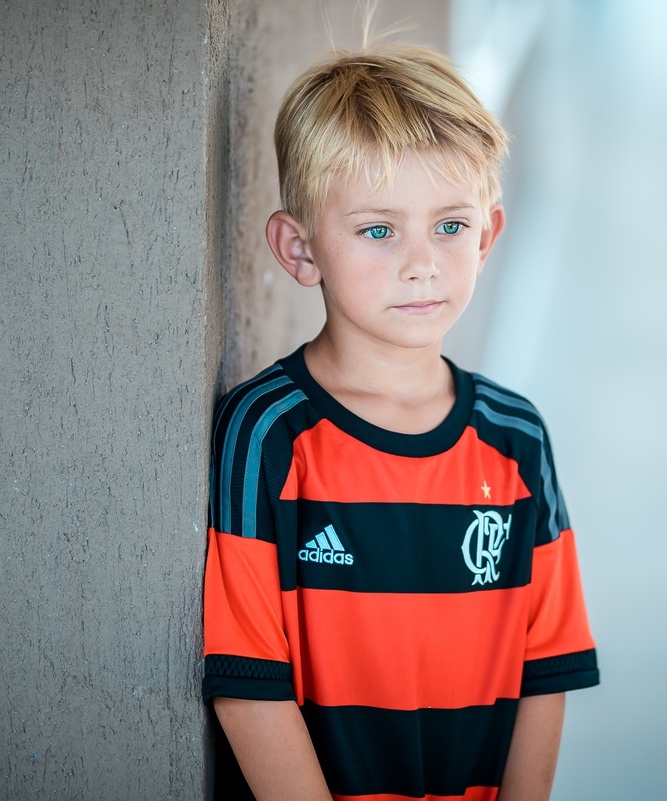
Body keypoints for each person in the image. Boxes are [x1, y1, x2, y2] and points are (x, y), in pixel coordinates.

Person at [202, 44, 599, 801]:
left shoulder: (516, 439)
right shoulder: (268, 434)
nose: (422, 263)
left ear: (487, 236)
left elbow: (546, 667)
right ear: (299, 247)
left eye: (450, 226)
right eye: (379, 231)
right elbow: (247, 683)